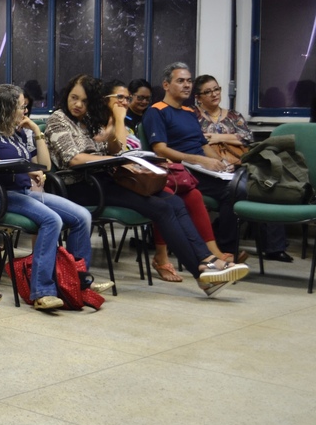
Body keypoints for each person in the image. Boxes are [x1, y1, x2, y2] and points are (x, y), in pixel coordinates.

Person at [45, 74, 249, 297]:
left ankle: (206, 261)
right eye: (74, 98)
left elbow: (113, 149)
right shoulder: (59, 119)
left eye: (84, 101)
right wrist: (113, 161)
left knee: (174, 201)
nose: (78, 105)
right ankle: (203, 271)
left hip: (104, 180)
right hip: (80, 187)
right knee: (160, 208)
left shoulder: (89, 118)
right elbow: (73, 160)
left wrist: (117, 122)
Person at [0, 84, 106, 309]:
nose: (24, 112)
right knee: (52, 219)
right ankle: (42, 291)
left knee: (82, 216)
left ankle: (77, 281)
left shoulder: (20, 131)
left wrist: (37, 132)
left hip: (22, 193)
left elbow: (44, 165)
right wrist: (24, 168)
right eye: (20, 107)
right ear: (5, 107)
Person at [142, 63, 291, 263]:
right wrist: (200, 160)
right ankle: (227, 248)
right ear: (166, 85)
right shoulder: (156, 111)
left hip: (205, 168)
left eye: (189, 81)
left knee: (255, 180)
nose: (187, 85)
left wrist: (219, 161)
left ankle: (228, 246)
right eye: (181, 81)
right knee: (237, 190)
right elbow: (160, 149)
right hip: (183, 170)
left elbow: (203, 144)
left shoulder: (188, 112)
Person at [105, 79, 232, 282]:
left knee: (183, 198)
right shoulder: (109, 124)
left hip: (136, 177)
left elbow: (135, 153)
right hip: (111, 182)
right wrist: (119, 120)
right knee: (166, 204)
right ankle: (199, 270)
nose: (124, 102)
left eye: (126, 98)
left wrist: (219, 161)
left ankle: (208, 257)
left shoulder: (188, 113)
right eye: (119, 98)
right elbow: (119, 152)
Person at [194, 74, 253, 157]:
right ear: (198, 98)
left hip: (234, 162)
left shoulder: (234, 116)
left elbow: (248, 138)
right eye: (207, 92)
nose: (214, 94)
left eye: (216, 89)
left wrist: (218, 138)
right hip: (202, 163)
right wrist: (232, 138)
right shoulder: (192, 114)